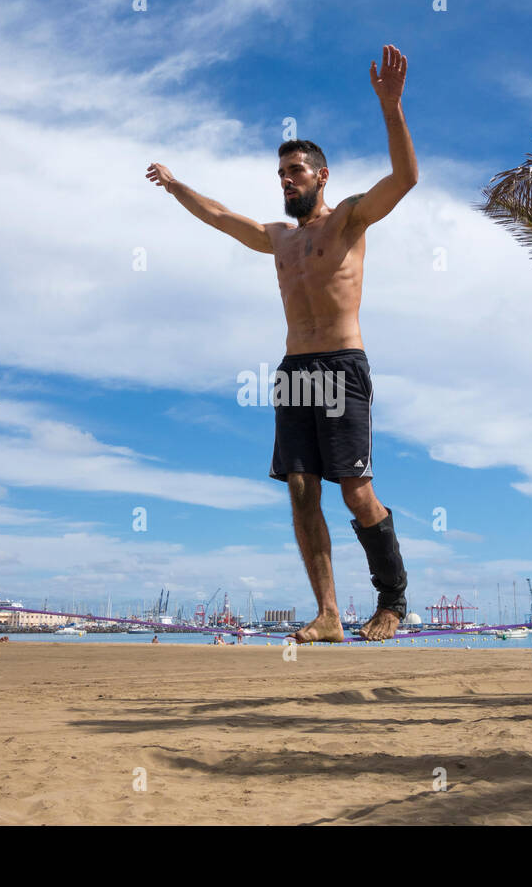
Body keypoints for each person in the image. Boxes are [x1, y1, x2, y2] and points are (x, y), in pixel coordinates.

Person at [147, 45, 417, 644]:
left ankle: (392, 599)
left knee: (356, 490)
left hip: (343, 364)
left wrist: (392, 109)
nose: (286, 181)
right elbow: (218, 216)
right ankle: (328, 614)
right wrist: (174, 186)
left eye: (295, 172)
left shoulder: (348, 219)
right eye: (280, 175)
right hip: (296, 369)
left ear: (321, 175)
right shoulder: (279, 239)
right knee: (300, 490)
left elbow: (404, 179)